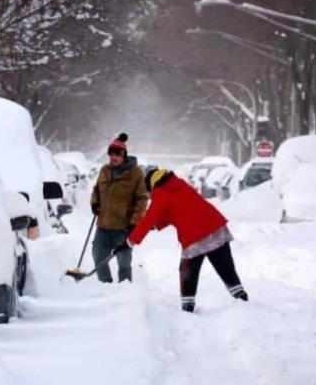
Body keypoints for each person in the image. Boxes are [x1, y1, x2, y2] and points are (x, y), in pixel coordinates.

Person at [118, 168, 249, 312]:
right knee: (226, 269)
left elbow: (150, 218)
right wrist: (145, 228)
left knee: (187, 272)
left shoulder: (160, 193)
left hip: (195, 237)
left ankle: (187, 308)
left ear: (151, 185)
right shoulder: (178, 183)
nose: (149, 195)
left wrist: (129, 242)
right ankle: (243, 301)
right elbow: (171, 212)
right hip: (216, 229)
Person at [90, 133, 148, 283]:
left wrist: (134, 223)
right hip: (103, 226)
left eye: (117, 154)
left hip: (123, 228)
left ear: (124, 155)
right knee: (98, 257)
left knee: (124, 263)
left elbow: (141, 199)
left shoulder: (135, 174)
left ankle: (125, 292)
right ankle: (106, 286)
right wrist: (94, 203)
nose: (113, 157)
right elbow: (96, 189)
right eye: (111, 154)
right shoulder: (104, 170)